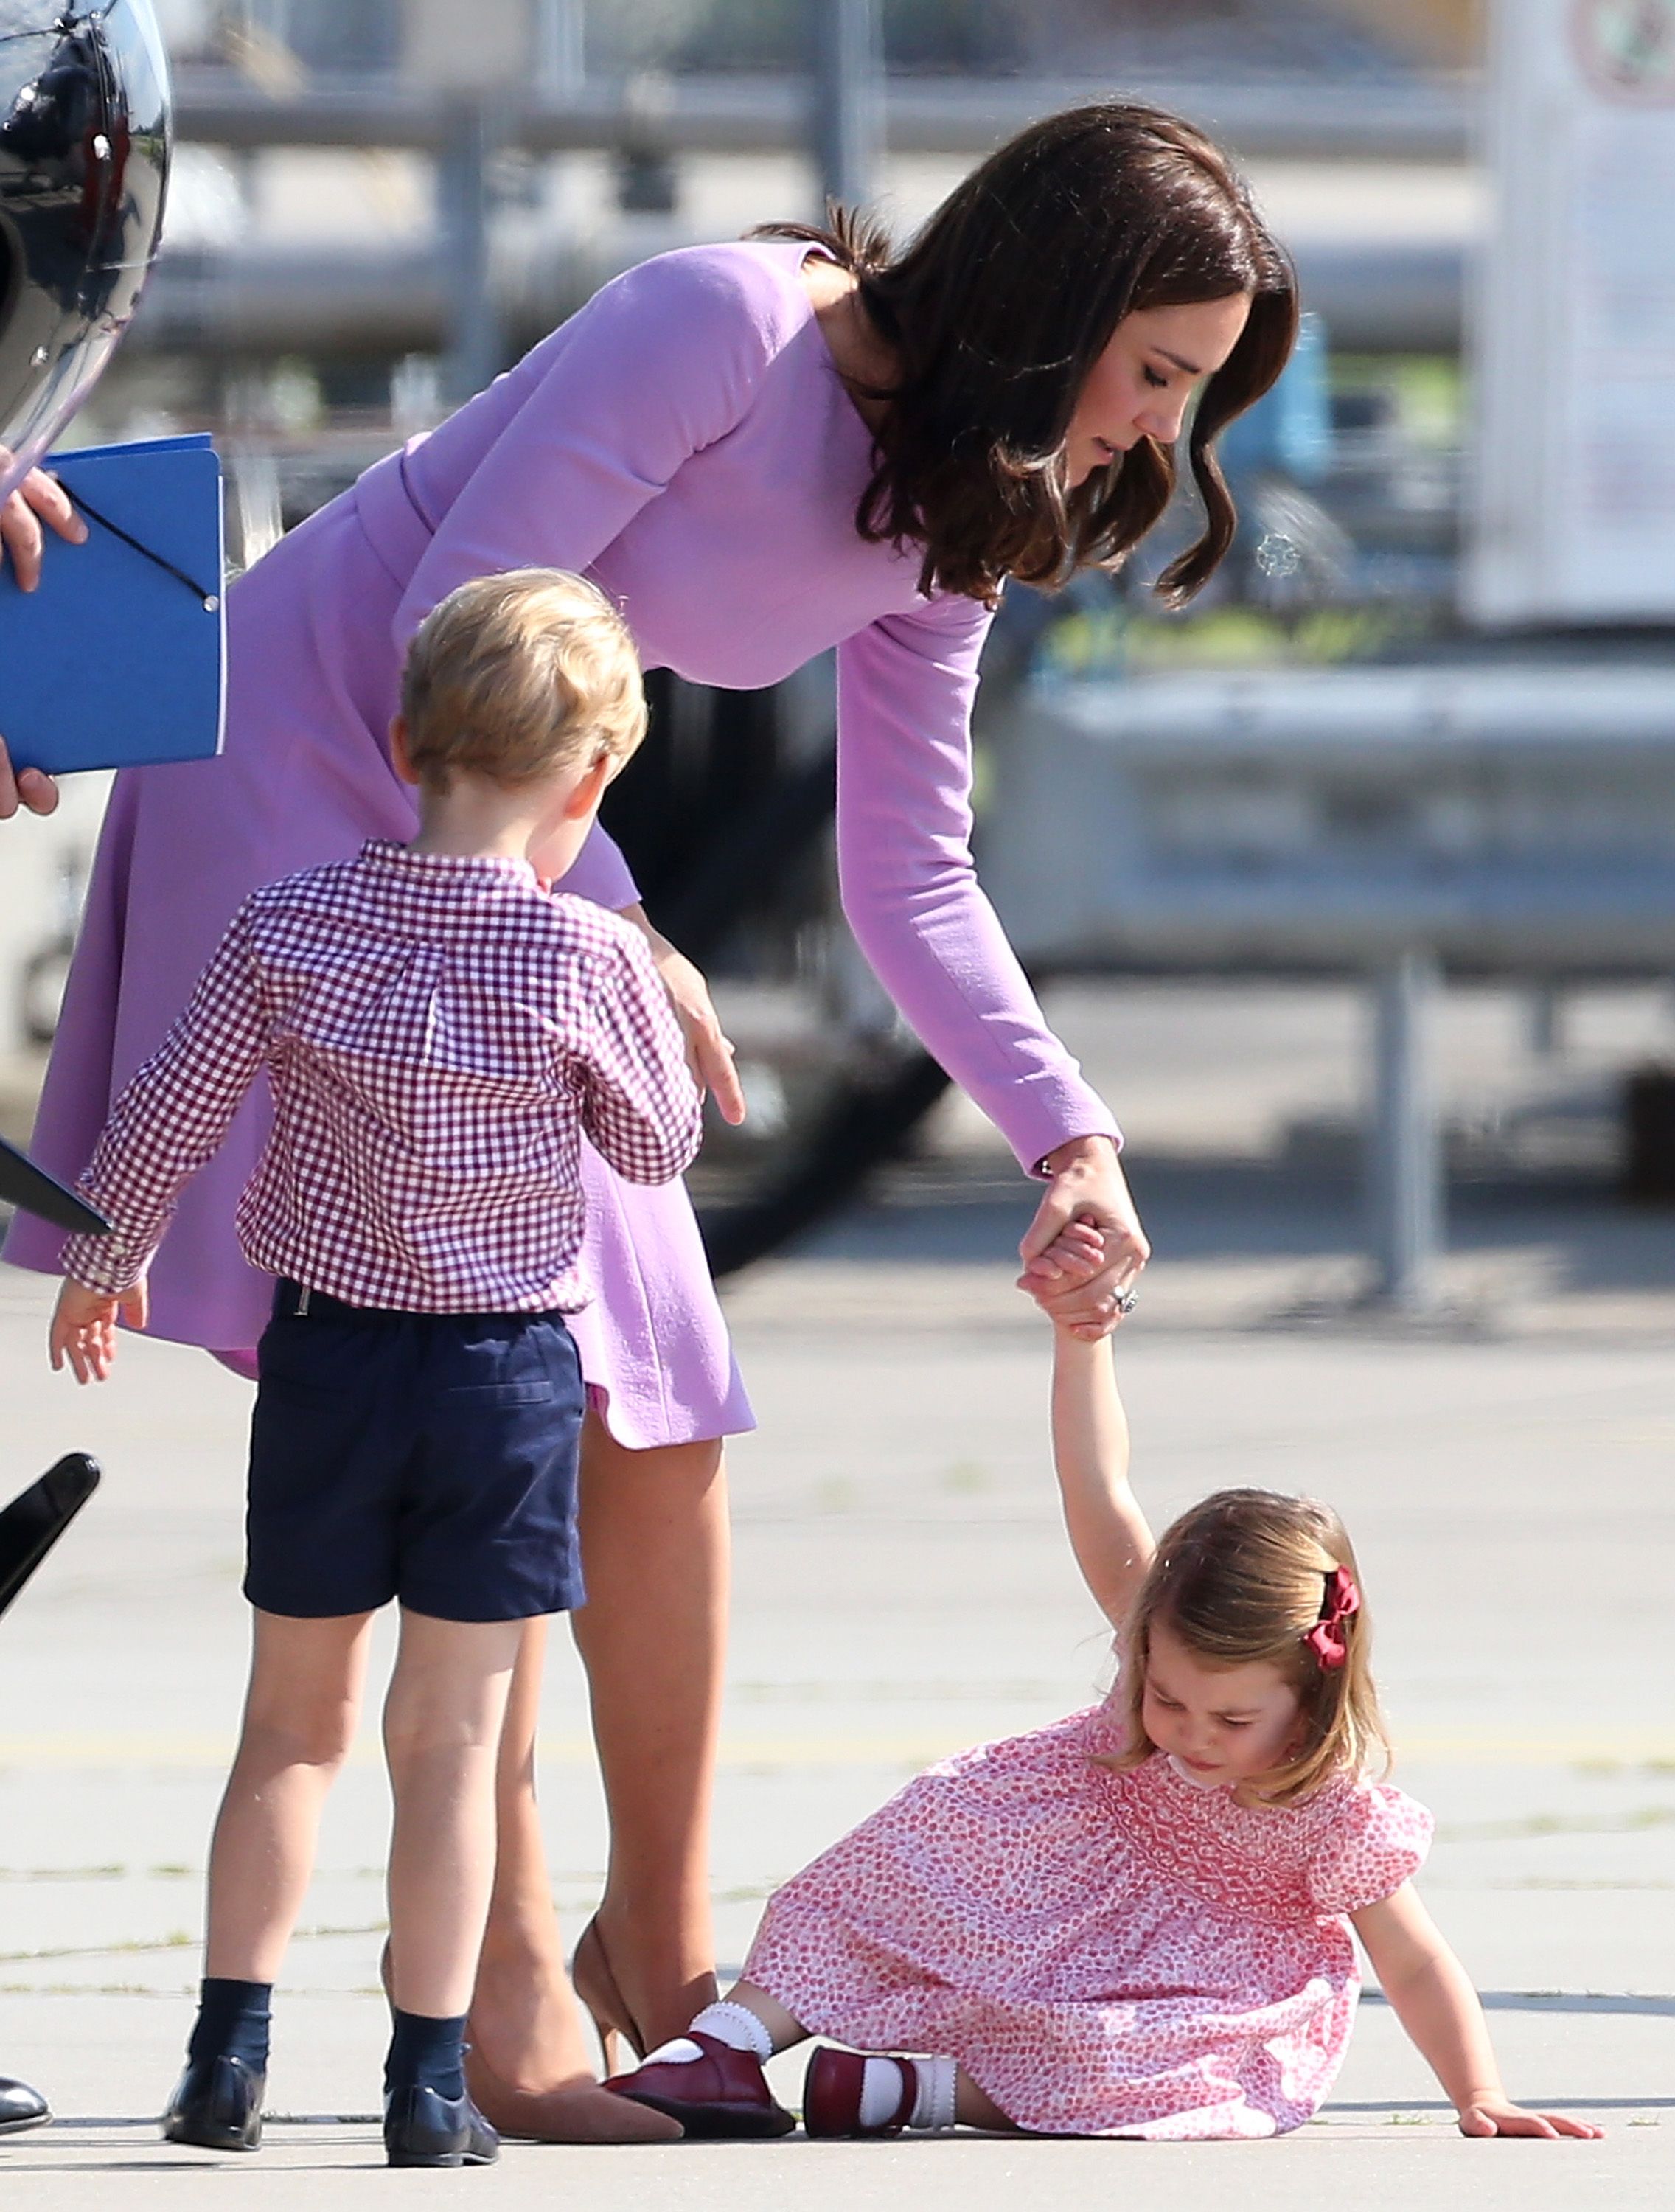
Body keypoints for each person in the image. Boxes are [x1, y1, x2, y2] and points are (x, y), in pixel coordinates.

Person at [9, 103, 1298, 2133]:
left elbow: (913, 877)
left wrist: (1073, 1135)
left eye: (1189, 397)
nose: (1156, 433)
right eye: (1155, 371)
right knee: (481, 1375)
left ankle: (660, 1953)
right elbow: (465, 632)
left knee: (662, 1389)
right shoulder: (720, 324)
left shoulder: (957, 507)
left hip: (534, 866)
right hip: (328, 763)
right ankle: (510, 2005)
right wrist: (615, 941)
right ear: (1053, 306)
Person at [45, 570, 702, 2167]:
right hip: (504, 1384)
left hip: (328, 1365)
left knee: (289, 1731)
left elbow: (170, 1108)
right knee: (454, 1745)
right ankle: (424, 2085)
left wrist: (105, 1256)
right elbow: (654, 1143)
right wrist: (653, 1024)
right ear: (590, 778)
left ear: (404, 737)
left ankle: (225, 2053)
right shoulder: (579, 964)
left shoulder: (288, 925)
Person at [608, 1226, 1602, 2146]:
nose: (1190, 1734)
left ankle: (910, 2092)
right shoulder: (1151, 1637)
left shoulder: (1337, 1814)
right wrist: (1082, 1339)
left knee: (1177, 2064)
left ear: (1317, 1691)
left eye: (1233, 1717)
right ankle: (723, 2046)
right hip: (1045, 1874)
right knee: (897, 1868)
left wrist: (1480, 2092)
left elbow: (1414, 1960)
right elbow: (1099, 1485)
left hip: (1183, 1985)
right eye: (1167, 1698)